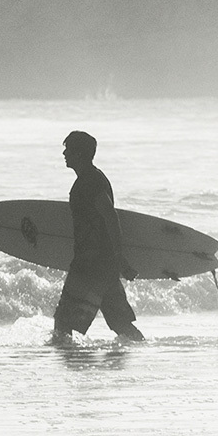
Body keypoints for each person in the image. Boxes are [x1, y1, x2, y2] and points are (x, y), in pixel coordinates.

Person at [50, 128, 143, 350]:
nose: (64, 155)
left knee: (63, 322)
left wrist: (121, 258)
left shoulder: (90, 182)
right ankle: (145, 352)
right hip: (103, 265)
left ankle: (72, 363)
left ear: (79, 154)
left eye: (68, 150)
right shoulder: (92, 178)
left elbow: (110, 216)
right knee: (120, 323)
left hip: (90, 265)